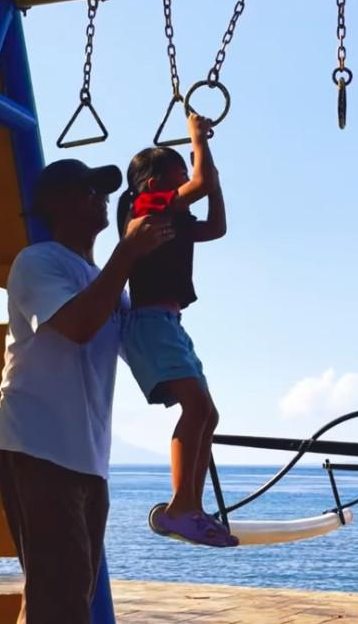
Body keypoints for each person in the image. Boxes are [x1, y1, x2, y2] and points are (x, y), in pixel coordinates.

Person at [0, 158, 173, 624]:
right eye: (86, 189)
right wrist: (127, 255)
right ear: (53, 204)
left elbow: (144, 350)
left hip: (87, 459)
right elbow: (77, 325)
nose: (100, 197)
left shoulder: (109, 282)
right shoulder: (38, 262)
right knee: (63, 600)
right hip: (37, 446)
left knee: (64, 595)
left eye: (103, 191)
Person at [116, 113, 235, 547]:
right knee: (197, 409)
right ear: (152, 185)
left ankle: (190, 506)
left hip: (168, 323)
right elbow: (200, 184)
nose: (186, 181)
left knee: (208, 413)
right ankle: (180, 508)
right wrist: (198, 139)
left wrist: (211, 176)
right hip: (150, 323)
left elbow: (216, 226)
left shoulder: (172, 218)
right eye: (177, 176)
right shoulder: (144, 207)